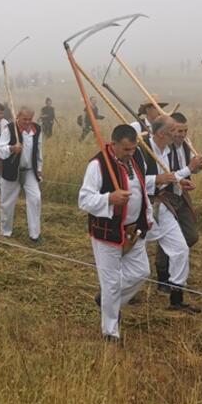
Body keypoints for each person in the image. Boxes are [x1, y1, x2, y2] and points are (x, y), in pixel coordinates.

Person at [78, 124, 152, 343]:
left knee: (141, 272)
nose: (131, 153)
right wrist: (109, 198)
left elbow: (142, 190)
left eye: (133, 148)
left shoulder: (137, 157)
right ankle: (110, 332)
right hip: (107, 231)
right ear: (114, 144)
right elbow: (83, 200)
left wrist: (148, 217)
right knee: (110, 283)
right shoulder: (98, 164)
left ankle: (107, 301)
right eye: (127, 149)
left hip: (134, 229)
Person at [142, 116, 199, 313]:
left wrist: (178, 181)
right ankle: (118, 291)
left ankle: (176, 297)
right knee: (130, 252)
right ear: (161, 133)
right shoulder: (142, 149)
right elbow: (133, 179)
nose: (176, 135)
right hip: (139, 208)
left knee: (180, 250)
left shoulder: (166, 150)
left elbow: (167, 177)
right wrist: (157, 179)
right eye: (172, 131)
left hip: (162, 207)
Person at [154, 112, 202, 291]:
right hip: (164, 199)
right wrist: (188, 169)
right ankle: (163, 277)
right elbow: (164, 175)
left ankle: (172, 267)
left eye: (184, 131)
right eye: (177, 131)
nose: (181, 135)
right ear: (169, 130)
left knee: (191, 236)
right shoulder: (160, 149)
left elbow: (185, 172)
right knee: (167, 237)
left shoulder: (185, 146)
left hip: (180, 196)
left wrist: (196, 169)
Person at [0, 107, 43, 241]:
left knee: (36, 199)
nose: (28, 122)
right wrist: (11, 148)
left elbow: (39, 150)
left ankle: (35, 235)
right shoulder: (9, 129)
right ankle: (5, 232)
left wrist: (39, 167)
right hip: (11, 170)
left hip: (30, 171)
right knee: (7, 203)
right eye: (24, 119)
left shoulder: (37, 129)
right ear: (18, 117)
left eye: (30, 119)